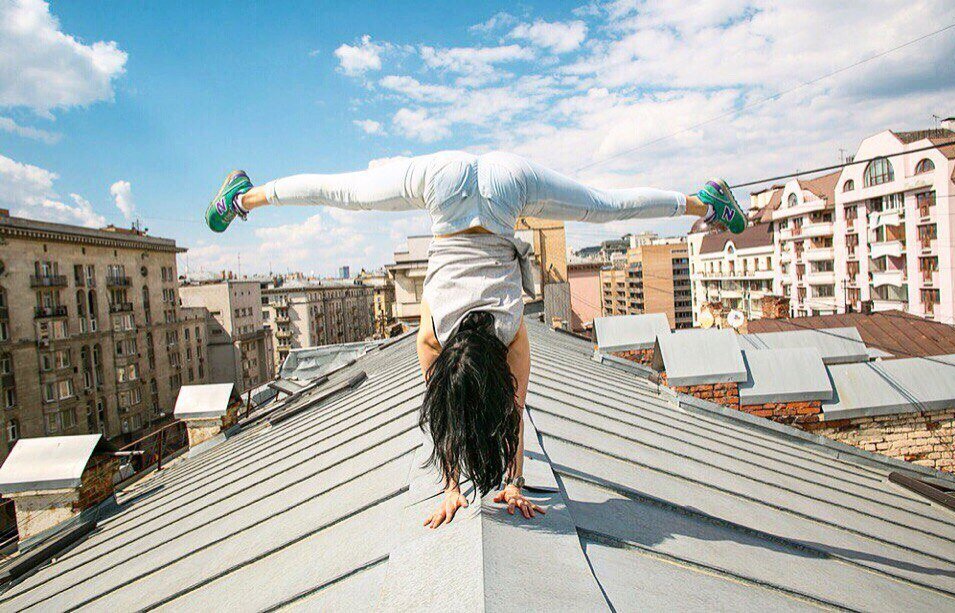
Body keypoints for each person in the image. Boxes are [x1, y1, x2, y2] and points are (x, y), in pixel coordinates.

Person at [204, 151, 746, 528]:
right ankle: (704, 201)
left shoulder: (507, 330)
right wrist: (496, 484)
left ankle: (244, 198)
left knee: (343, 191)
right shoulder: (435, 336)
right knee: (603, 204)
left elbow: (508, 408)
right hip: (451, 188)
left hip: (494, 187)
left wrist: (461, 489)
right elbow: (477, 411)